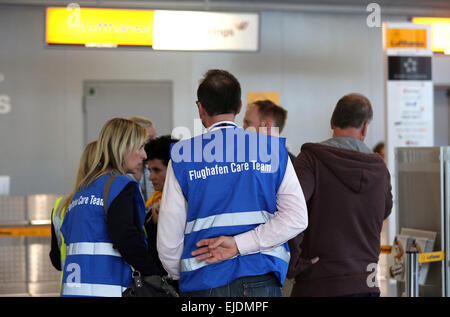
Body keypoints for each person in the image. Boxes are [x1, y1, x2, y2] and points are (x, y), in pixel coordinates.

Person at [157, 69, 308, 297]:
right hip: (261, 278)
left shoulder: (182, 156)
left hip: (204, 281)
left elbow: (168, 241)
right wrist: (240, 245)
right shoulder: (273, 150)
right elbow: (297, 218)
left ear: (200, 108)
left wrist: (182, 274)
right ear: (239, 107)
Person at [287, 93, 393, 297]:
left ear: (332, 121)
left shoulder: (310, 160)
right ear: (365, 127)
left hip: (318, 283)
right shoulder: (378, 168)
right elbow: (385, 209)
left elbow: (291, 210)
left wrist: (293, 264)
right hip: (365, 284)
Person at [60, 118, 161, 297]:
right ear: (123, 147)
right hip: (108, 288)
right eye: (140, 147)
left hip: (73, 290)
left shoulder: (81, 191)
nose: (144, 155)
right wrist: (155, 275)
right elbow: (126, 237)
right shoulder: (121, 186)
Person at [49, 140, 97, 290]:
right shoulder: (110, 203)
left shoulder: (60, 206)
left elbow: (56, 260)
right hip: (106, 285)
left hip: (71, 287)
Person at [143, 135, 179, 277]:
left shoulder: (191, 204)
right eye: (149, 170)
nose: (150, 177)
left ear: (173, 169)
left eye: (156, 170)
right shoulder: (154, 206)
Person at [128, 116, 157, 202]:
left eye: (154, 139)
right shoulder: (119, 173)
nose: (154, 144)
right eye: (149, 139)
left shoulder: (154, 168)